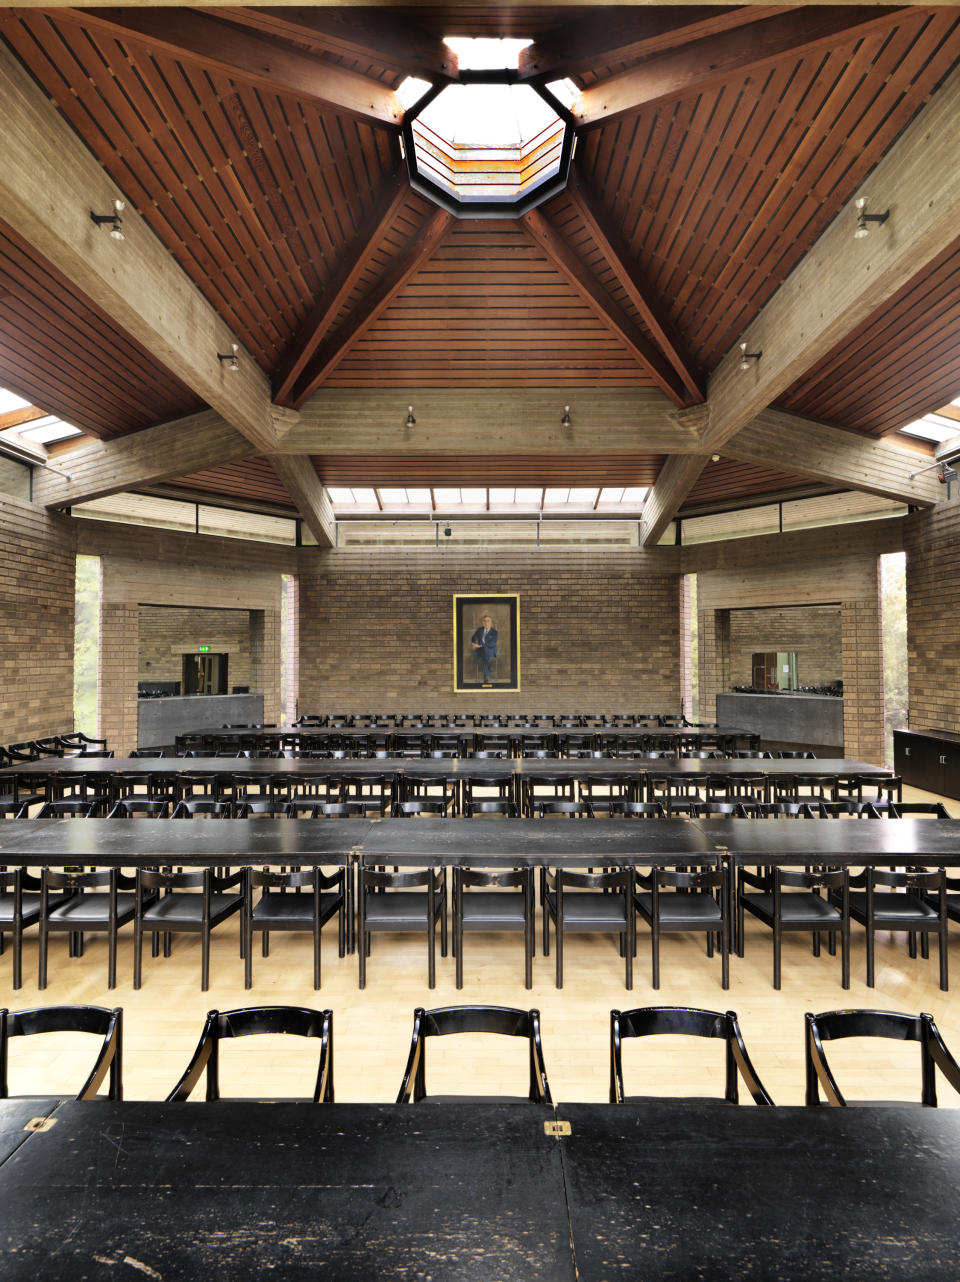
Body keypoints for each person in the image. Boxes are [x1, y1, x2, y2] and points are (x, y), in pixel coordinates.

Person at [470, 613, 498, 683]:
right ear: (482, 622)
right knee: (485, 653)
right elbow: (473, 637)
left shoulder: (494, 632)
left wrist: (480, 646)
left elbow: (492, 643)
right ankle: (487, 672)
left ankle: (486, 676)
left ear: (491, 623)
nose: (486, 623)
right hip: (480, 650)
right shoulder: (479, 630)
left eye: (488, 621)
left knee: (486, 651)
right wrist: (473, 643)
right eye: (484, 621)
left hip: (491, 650)